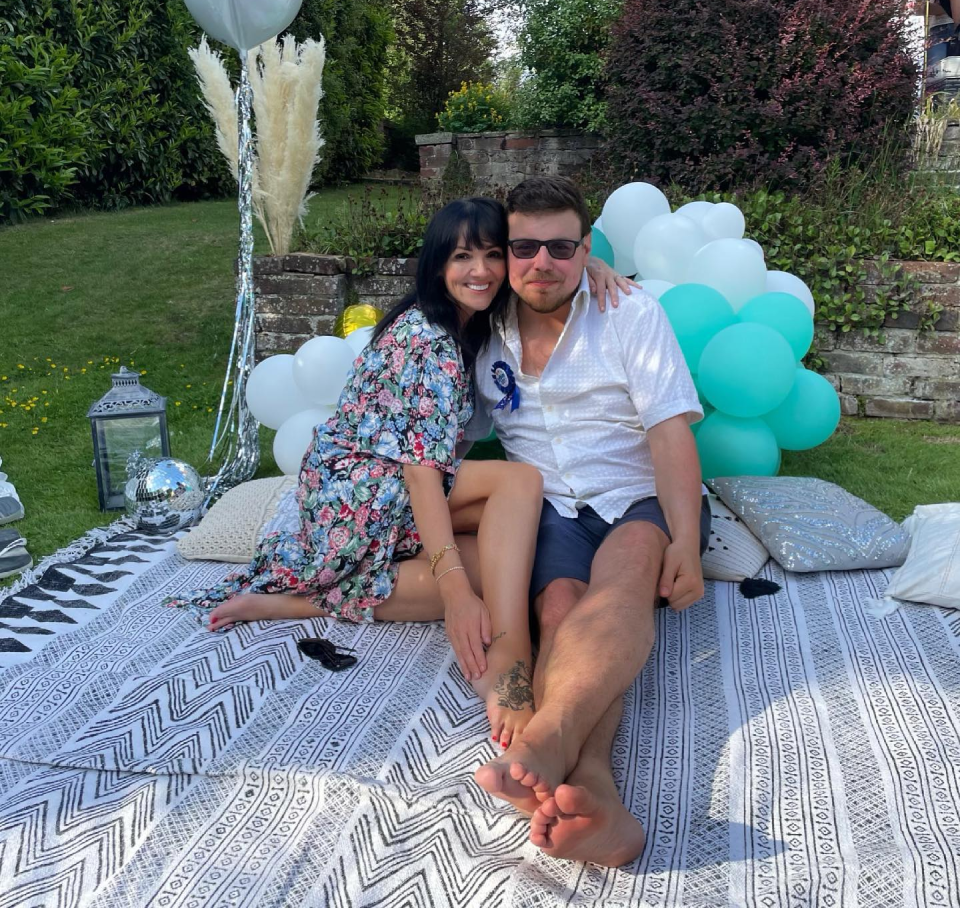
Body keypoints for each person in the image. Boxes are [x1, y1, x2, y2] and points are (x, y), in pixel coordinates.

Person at [166, 196, 626, 748]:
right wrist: (454, 588)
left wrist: (588, 265)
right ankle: (510, 655)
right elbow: (421, 472)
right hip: (355, 495)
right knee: (520, 483)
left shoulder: (472, 321)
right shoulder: (427, 339)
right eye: (461, 258)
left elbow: (543, 270)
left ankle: (299, 604)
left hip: (367, 494)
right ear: (437, 265)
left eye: (491, 255)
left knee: (507, 560)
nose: (479, 270)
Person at [467, 176, 711, 868]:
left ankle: (545, 740)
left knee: (626, 576)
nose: (541, 262)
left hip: (636, 494)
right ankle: (598, 795)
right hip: (546, 506)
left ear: (586, 250)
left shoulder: (629, 311)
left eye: (561, 247)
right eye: (524, 247)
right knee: (559, 604)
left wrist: (686, 545)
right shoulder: (481, 331)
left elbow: (668, 434)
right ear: (503, 251)